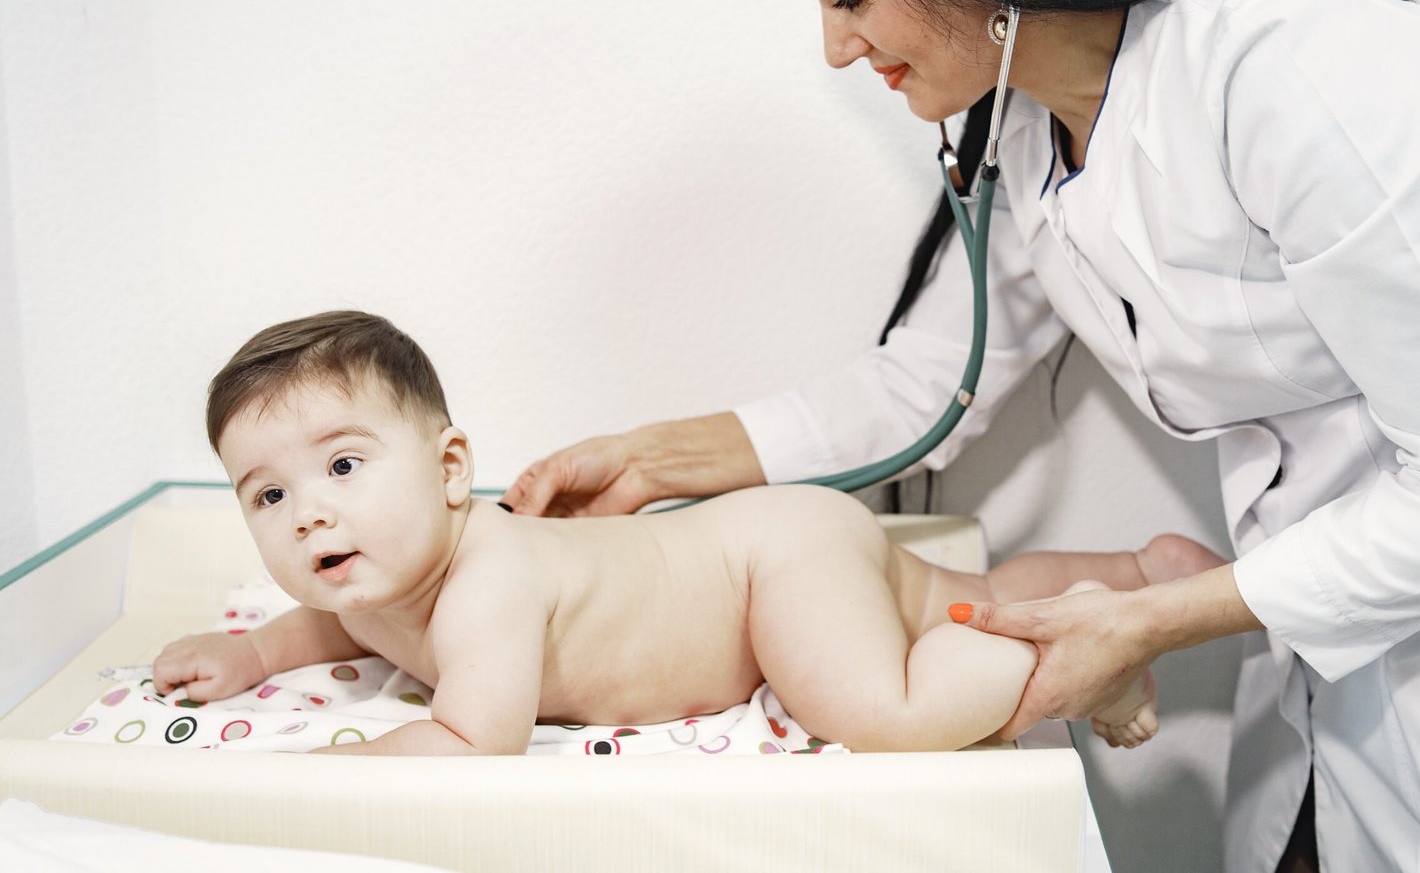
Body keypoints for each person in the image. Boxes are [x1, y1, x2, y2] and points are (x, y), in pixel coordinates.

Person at [500, 0, 1420, 870]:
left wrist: (1150, 620)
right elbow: (928, 385)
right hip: (1337, 649)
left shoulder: (1300, 65)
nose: (838, 48)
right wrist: (648, 460)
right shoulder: (1029, 133)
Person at [151, 310, 1225, 755]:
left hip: (766, 570)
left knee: (876, 706)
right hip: (768, 539)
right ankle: (1139, 572)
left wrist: (331, 772)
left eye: (341, 465)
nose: (311, 513)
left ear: (450, 472)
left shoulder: (486, 582)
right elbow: (340, 626)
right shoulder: (380, 582)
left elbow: (475, 739)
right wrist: (253, 653)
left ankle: (1074, 645)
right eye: (268, 495)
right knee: (951, 590)